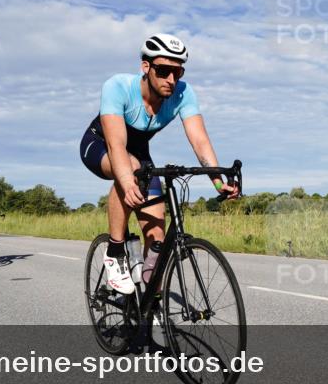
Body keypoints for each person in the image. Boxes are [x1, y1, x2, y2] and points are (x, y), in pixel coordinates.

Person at [80, 33, 238, 295]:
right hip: (100, 145)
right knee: (130, 168)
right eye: (164, 71)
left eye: (178, 72)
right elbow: (117, 145)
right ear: (146, 66)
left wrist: (218, 181)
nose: (171, 80)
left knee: (157, 242)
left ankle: (151, 302)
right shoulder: (118, 86)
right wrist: (127, 181)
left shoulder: (183, 93)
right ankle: (115, 252)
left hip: (139, 156)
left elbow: (200, 140)